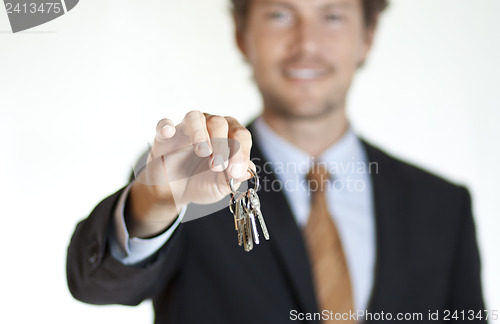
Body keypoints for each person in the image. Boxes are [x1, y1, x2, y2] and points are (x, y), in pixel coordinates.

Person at [67, 0, 486, 323]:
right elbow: (96, 285)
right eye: (280, 15)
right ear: (242, 35)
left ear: (368, 36)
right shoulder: (190, 177)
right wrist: (156, 203)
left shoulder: (443, 207)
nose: (306, 42)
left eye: (333, 16)